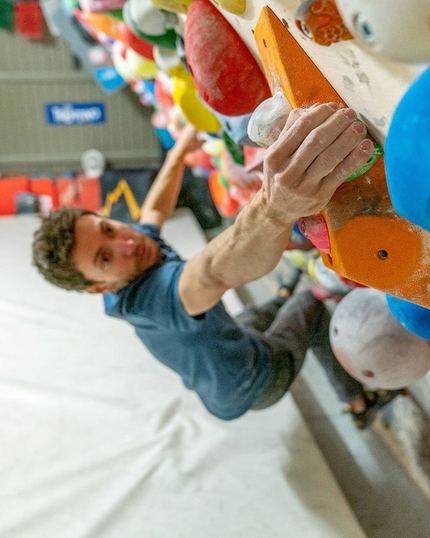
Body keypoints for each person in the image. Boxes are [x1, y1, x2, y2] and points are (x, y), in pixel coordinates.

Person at [32, 103, 399, 427]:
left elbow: (154, 212)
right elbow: (212, 272)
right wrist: (276, 206)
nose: (127, 243)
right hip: (252, 383)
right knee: (311, 308)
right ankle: (358, 403)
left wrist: (179, 153)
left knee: (262, 312)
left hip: (224, 354)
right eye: (105, 257)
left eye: (108, 228)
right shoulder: (155, 300)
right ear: (98, 286)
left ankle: (283, 294)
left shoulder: (133, 255)